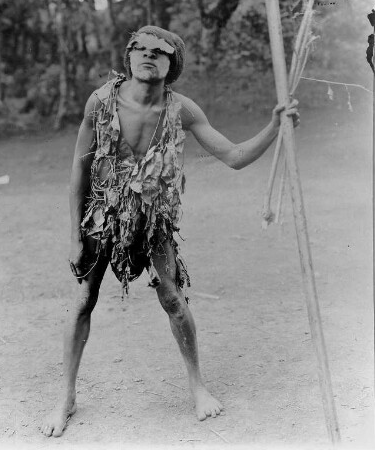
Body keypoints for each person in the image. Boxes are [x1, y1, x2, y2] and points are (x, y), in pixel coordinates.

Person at [40, 25, 299, 437]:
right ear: (127, 57)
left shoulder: (182, 110)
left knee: (174, 300)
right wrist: (74, 236)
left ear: (171, 64)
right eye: (138, 49)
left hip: (153, 221)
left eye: (158, 52)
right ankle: (66, 396)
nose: (147, 56)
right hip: (103, 216)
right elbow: (80, 165)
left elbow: (232, 156)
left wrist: (274, 126)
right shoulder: (101, 101)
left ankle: (198, 387)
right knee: (83, 300)